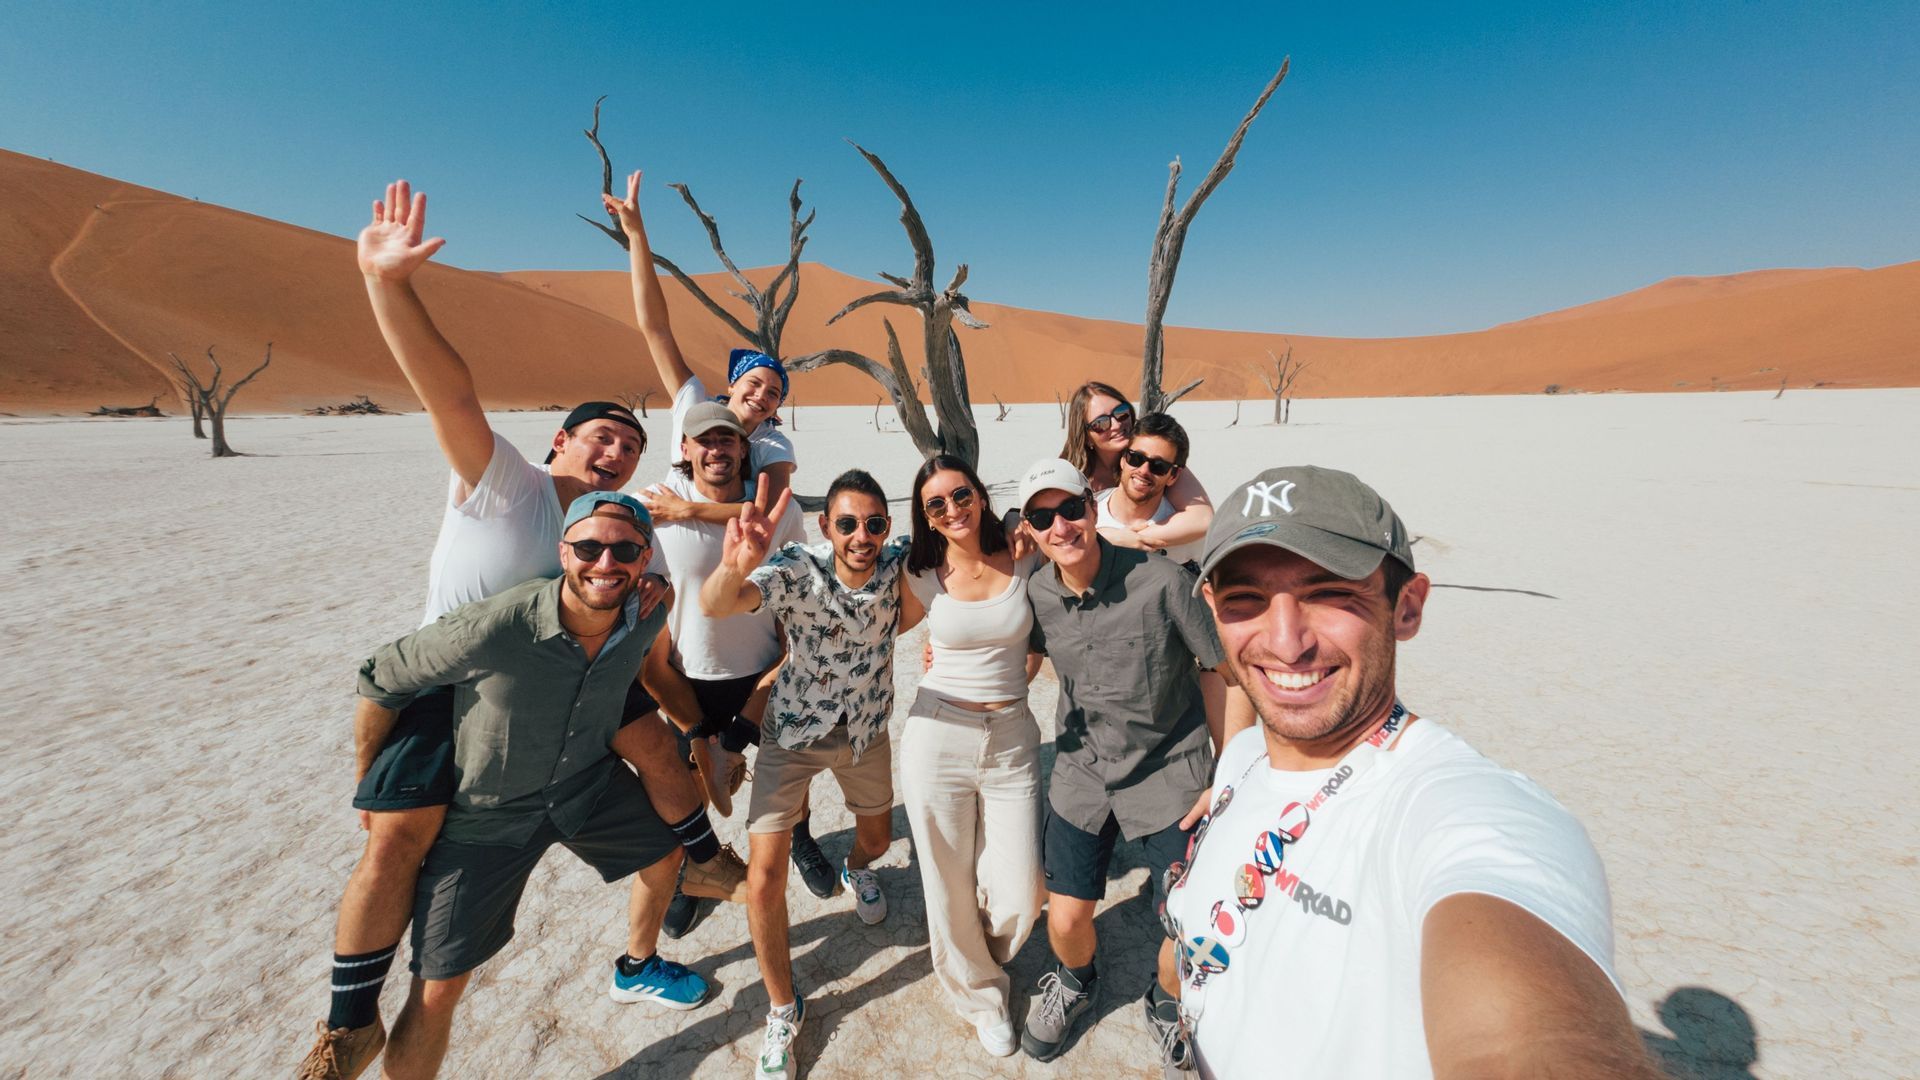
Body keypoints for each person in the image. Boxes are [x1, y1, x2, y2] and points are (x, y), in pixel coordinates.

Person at [299, 181, 739, 1080]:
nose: (617, 450)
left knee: (656, 756)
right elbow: (449, 390)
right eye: (600, 436)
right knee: (397, 840)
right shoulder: (506, 483)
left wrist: (700, 722)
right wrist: (388, 284)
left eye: (630, 445)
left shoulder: (618, 536)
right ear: (557, 444)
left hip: (571, 695)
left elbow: (645, 647)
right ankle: (349, 1026)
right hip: (455, 690)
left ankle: (692, 875)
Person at [1170, 466, 1659, 1078]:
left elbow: (1527, 1042)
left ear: (1407, 608)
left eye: (1330, 593)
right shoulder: (1243, 757)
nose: (1286, 643)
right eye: (1245, 599)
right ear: (1213, 610)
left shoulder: (1458, 811)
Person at [351, 493, 708, 1080]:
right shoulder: (495, 627)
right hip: (487, 818)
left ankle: (637, 967)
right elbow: (380, 676)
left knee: (666, 850)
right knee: (439, 988)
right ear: (564, 552)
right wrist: (369, 776)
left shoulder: (646, 614)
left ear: (645, 559)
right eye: (589, 548)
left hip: (583, 788)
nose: (605, 563)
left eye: (625, 551)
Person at [699, 470, 917, 1080]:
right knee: (765, 878)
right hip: (792, 734)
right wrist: (733, 567)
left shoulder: (896, 564)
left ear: (887, 528)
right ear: (827, 526)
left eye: (874, 524)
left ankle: (856, 870)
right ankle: (782, 1008)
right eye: (847, 523)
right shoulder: (798, 569)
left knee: (877, 841)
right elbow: (717, 603)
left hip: (864, 731)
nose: (861, 536)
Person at [1012, 458, 1228, 1068]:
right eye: (1042, 518)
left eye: (1070, 509)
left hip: (1170, 772)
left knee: (1190, 921)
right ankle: (1077, 980)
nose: (1061, 527)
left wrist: (1227, 770)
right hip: (1082, 773)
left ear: (1091, 505)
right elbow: (1024, 660)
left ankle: (1166, 1001)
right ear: (1029, 530)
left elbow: (1219, 670)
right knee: (1065, 920)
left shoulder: (1163, 583)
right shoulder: (1038, 594)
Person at [636, 402, 809, 940]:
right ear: (685, 449)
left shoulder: (776, 510)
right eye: (705, 440)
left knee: (789, 771)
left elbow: (798, 583)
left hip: (761, 669)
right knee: (690, 780)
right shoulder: (657, 506)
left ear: (743, 448)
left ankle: (802, 841)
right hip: (690, 672)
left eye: (727, 440)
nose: (717, 450)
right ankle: (696, 866)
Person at [896, 456, 1046, 1057]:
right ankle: (981, 995)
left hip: (1011, 736)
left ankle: (976, 950)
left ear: (981, 495)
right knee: (946, 878)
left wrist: (1020, 675)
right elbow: (872, 628)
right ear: (925, 516)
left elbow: (1038, 637)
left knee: (1020, 891)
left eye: (961, 495)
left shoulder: (1024, 552)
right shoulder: (920, 574)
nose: (952, 509)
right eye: (936, 504)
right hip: (937, 735)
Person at [604, 168, 796, 515]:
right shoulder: (693, 403)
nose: (761, 395)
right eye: (754, 383)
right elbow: (656, 328)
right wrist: (636, 234)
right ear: (733, 384)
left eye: (773, 393)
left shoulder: (771, 443)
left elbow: (772, 510)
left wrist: (685, 510)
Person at [1058, 381, 1211, 540]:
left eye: (1121, 413)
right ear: (1086, 436)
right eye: (1101, 423)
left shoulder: (1156, 458)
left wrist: (1131, 539)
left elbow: (1202, 519)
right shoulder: (1069, 474)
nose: (1116, 424)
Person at [1095, 411, 1206, 564]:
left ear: (1173, 476)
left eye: (1158, 465)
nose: (1144, 471)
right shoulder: (1088, 516)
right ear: (1123, 459)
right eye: (1136, 458)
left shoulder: (1188, 535)